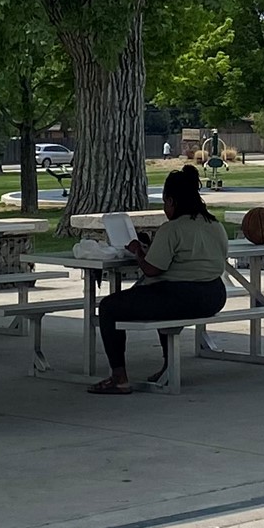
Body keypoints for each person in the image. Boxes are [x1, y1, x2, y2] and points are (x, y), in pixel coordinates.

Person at [92, 164, 228, 394]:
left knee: (109, 307)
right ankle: (167, 366)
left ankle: (119, 376)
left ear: (173, 201)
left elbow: (152, 270)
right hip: (214, 295)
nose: (165, 208)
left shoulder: (171, 229)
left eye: (165, 202)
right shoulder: (215, 225)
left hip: (181, 297)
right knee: (156, 299)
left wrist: (137, 250)